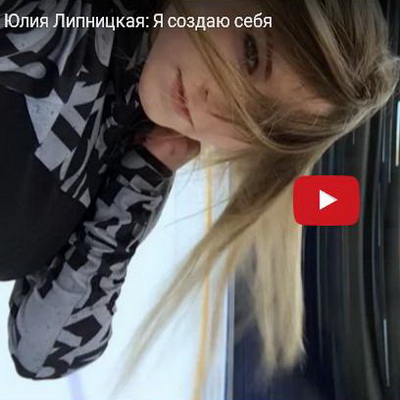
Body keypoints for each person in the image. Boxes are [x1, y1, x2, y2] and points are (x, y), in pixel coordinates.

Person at [0, 0, 398, 395]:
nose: (220, 107)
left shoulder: (138, 159)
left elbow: (41, 352)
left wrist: (137, 182)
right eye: (251, 54)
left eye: (260, 123)